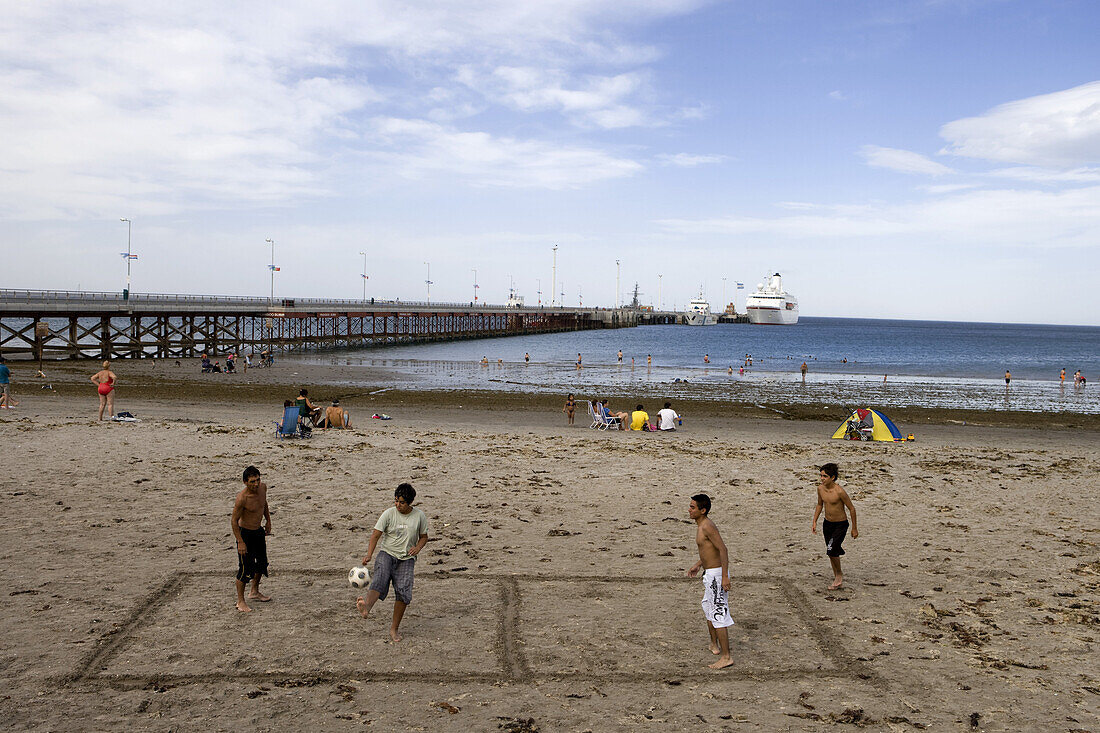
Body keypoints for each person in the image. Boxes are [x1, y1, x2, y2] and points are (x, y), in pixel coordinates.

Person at [356, 483, 429, 642]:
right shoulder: (389, 514)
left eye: (401, 502)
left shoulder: (419, 516)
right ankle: (367, 607)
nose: (398, 505)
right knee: (381, 576)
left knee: (403, 591)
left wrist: (417, 548)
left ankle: (394, 629)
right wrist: (369, 555)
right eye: (396, 501)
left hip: (407, 559)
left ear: (409, 502)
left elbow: (424, 537)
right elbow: (376, 535)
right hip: (387, 553)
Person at [686, 493, 734, 670]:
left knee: (718, 614)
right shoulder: (701, 526)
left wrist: (724, 577)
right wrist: (699, 564)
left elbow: (723, 549)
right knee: (708, 607)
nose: (689, 510)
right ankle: (714, 644)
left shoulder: (707, 526)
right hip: (709, 572)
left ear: (702, 510)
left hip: (716, 575)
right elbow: (709, 550)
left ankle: (726, 656)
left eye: (693, 507)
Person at [811, 463, 858, 590]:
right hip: (827, 524)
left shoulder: (840, 492)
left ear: (832, 477)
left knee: (831, 550)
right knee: (831, 552)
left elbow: (852, 509)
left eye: (825, 476)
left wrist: (854, 528)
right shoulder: (820, 489)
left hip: (840, 525)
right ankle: (836, 575)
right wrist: (815, 521)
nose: (822, 478)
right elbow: (820, 505)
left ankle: (838, 575)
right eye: (821, 476)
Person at [232, 465, 272, 613]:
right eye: (252, 481)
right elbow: (233, 521)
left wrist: (268, 521)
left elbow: (264, 504)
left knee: (262, 562)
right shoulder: (242, 498)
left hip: (258, 531)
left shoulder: (263, 488)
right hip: (245, 534)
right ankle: (240, 601)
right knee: (245, 569)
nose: (256, 484)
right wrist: (240, 542)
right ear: (245, 482)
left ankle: (254, 591)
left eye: (257, 480)